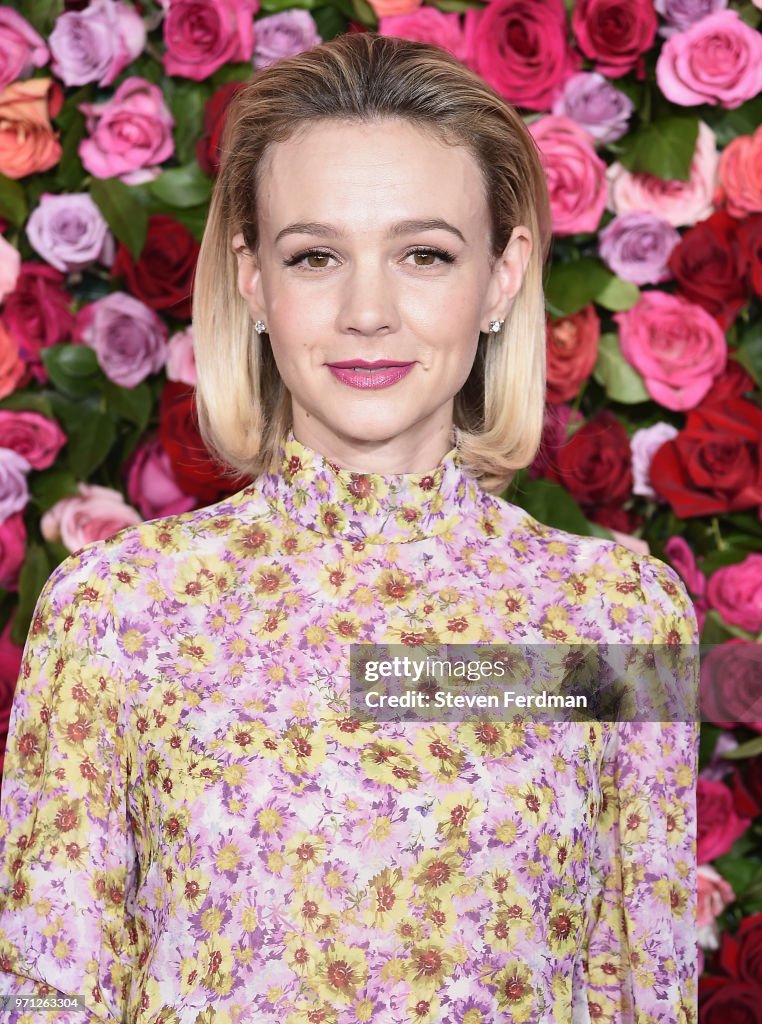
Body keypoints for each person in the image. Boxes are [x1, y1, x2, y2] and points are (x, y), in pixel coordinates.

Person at [0, 31, 698, 1024]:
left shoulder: (615, 619)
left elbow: (646, 988)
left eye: (424, 253)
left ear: (502, 277)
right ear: (252, 281)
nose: (368, 310)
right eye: (317, 255)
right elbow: (49, 997)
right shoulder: (114, 613)